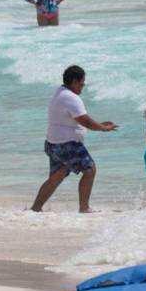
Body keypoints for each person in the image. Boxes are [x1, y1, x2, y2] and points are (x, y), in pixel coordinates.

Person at [30, 66, 117, 213]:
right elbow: (85, 121)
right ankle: (84, 208)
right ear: (75, 81)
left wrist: (100, 124)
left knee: (57, 176)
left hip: (53, 144)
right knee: (89, 170)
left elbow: (75, 120)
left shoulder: (60, 92)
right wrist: (103, 128)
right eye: (82, 82)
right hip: (66, 145)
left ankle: (36, 208)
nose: (83, 85)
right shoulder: (71, 98)